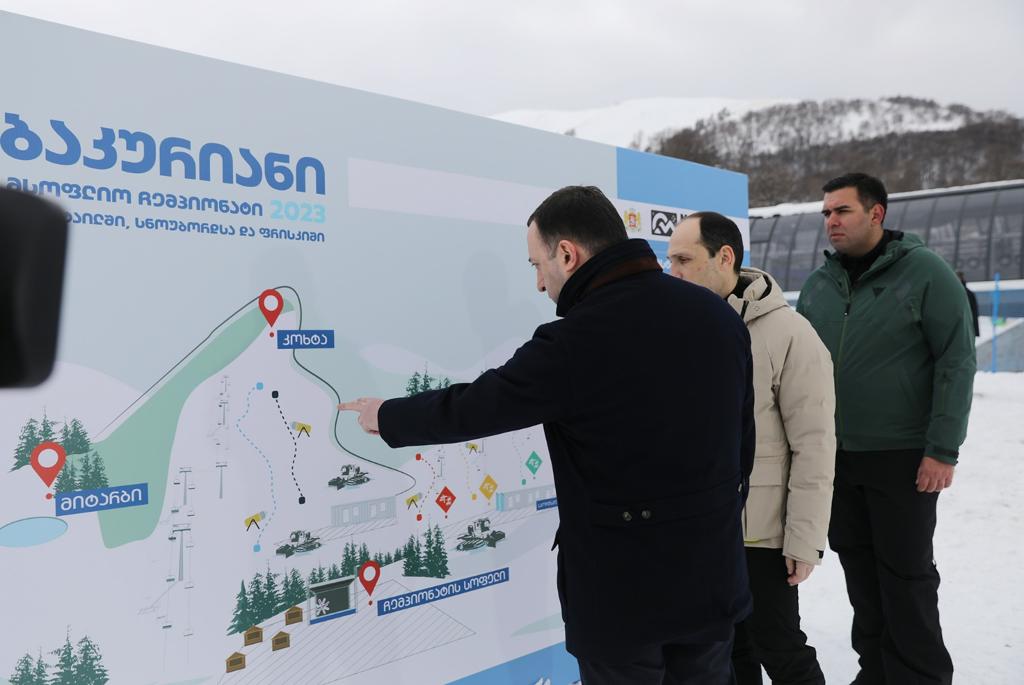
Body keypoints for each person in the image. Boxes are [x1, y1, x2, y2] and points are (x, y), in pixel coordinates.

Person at [341, 185, 755, 684]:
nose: (539, 283)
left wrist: (387, 416)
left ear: (567, 254)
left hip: (624, 600)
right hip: (711, 580)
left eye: (537, 265)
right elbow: (743, 445)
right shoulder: (718, 317)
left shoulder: (576, 340)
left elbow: (477, 406)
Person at [797, 173, 975, 685]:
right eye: (826, 213)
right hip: (836, 457)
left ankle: (920, 675)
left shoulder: (926, 273)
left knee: (906, 574)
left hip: (902, 456)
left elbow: (956, 362)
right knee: (859, 568)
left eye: (842, 211)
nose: (831, 221)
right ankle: (875, 670)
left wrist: (942, 449)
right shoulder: (819, 284)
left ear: (876, 213)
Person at [668, 211, 835, 685]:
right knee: (725, 655)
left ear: (725, 257)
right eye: (669, 260)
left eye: (684, 260)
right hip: (704, 530)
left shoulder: (791, 334)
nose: (672, 272)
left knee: (780, 650)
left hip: (762, 536)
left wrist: (803, 538)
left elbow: (815, 446)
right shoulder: (681, 329)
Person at [957, 271, 980, 337]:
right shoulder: (969, 293)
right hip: (967, 326)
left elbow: (974, 312)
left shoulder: (965, 293)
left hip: (965, 326)